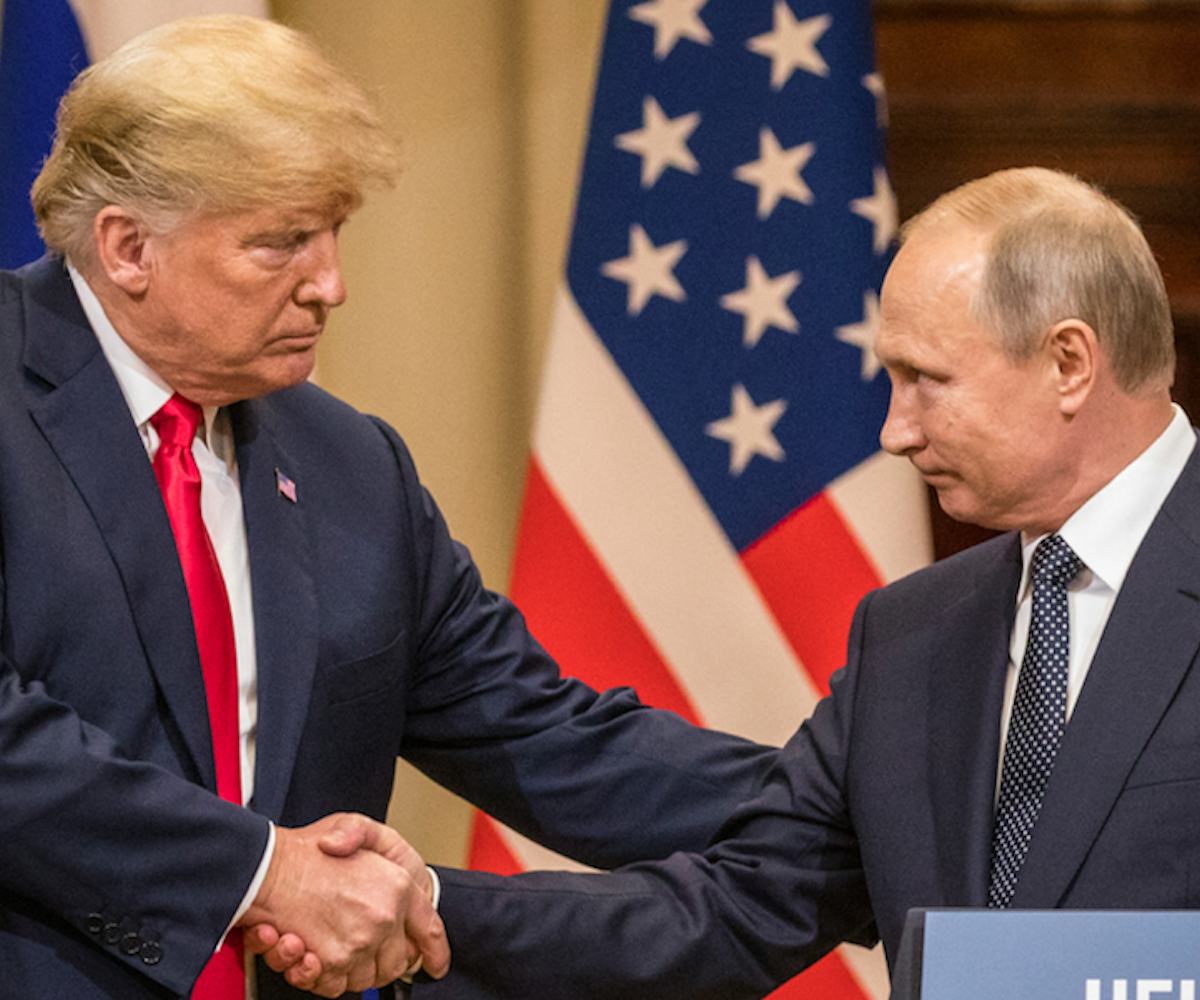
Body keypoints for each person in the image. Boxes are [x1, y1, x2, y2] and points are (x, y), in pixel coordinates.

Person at [0, 15, 775, 1000]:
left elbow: (548, 736)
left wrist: (857, 803)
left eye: (333, 234)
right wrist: (260, 871)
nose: (331, 285)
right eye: (281, 243)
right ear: (128, 248)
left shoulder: (351, 463)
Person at [409, 166, 1200, 998]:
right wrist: (418, 908)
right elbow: (732, 907)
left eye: (925, 379)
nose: (895, 432)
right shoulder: (912, 634)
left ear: (1068, 362)